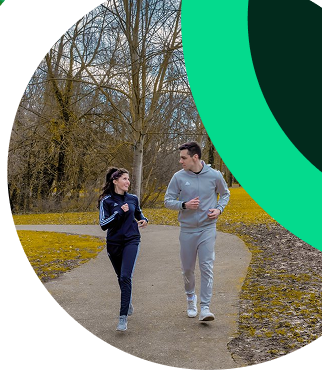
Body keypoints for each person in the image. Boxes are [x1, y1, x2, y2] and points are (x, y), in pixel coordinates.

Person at [164, 141, 231, 321]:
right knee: (187, 269)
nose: (180, 161)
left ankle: (205, 308)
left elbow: (225, 194)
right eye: (180, 158)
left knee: (207, 267)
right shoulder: (178, 177)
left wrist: (219, 209)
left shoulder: (214, 175)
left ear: (195, 157)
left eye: (183, 158)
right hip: (187, 230)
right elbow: (167, 200)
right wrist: (184, 205)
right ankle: (190, 298)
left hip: (207, 228)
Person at [96, 166, 148, 333]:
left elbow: (138, 213)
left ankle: (122, 317)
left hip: (132, 240)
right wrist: (118, 211)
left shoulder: (133, 198)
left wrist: (143, 219)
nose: (128, 182)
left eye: (128, 179)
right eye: (125, 179)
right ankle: (128, 302)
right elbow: (103, 224)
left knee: (126, 276)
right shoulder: (107, 201)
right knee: (121, 277)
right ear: (115, 181)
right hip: (114, 243)